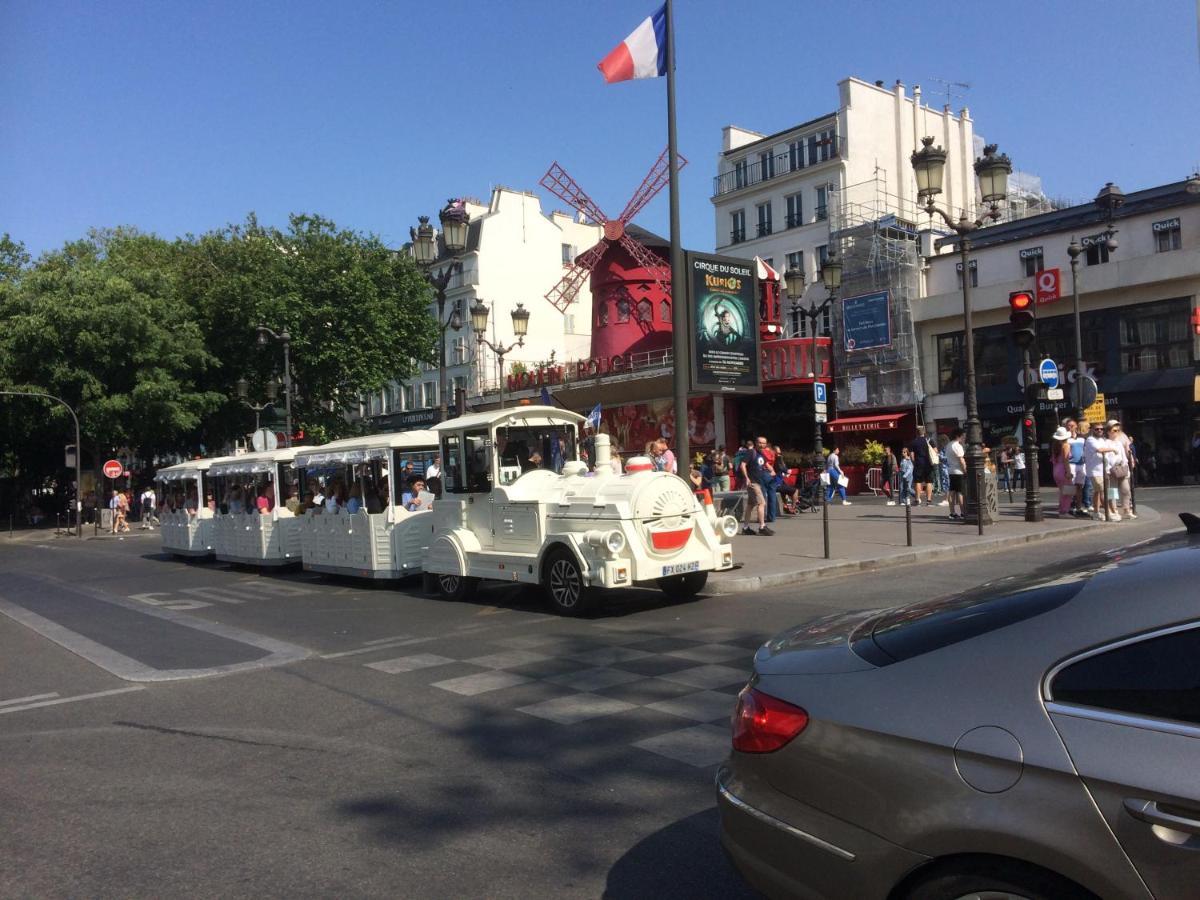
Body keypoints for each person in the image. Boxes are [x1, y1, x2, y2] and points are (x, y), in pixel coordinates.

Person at [739, 440, 771, 536]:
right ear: (756, 443)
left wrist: (771, 469)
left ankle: (745, 527)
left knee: (750, 505)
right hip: (753, 482)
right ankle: (762, 526)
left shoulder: (761, 454)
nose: (762, 445)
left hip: (758, 482)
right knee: (761, 503)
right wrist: (747, 478)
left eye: (764, 443)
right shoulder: (750, 452)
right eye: (760, 443)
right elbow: (743, 465)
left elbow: (765, 464)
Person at [907, 426, 934, 507]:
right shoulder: (929, 441)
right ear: (924, 432)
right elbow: (935, 451)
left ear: (916, 432)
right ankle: (929, 500)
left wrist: (914, 462)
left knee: (918, 481)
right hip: (928, 463)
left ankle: (917, 499)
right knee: (929, 481)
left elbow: (912, 456)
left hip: (918, 463)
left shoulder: (913, 442)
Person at [1051, 425, 1073, 517]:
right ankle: (1064, 511)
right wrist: (1068, 472)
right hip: (1063, 469)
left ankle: (1061, 509)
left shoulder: (1055, 446)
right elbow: (1066, 460)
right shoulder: (1066, 445)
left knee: (1062, 491)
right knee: (1068, 491)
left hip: (1056, 469)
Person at [946, 428, 966, 520]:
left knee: (952, 492)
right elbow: (961, 460)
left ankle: (952, 512)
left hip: (951, 470)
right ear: (958, 436)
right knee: (960, 492)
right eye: (962, 435)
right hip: (959, 471)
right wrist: (965, 470)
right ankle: (963, 512)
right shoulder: (957, 446)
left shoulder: (948, 445)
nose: (964, 437)